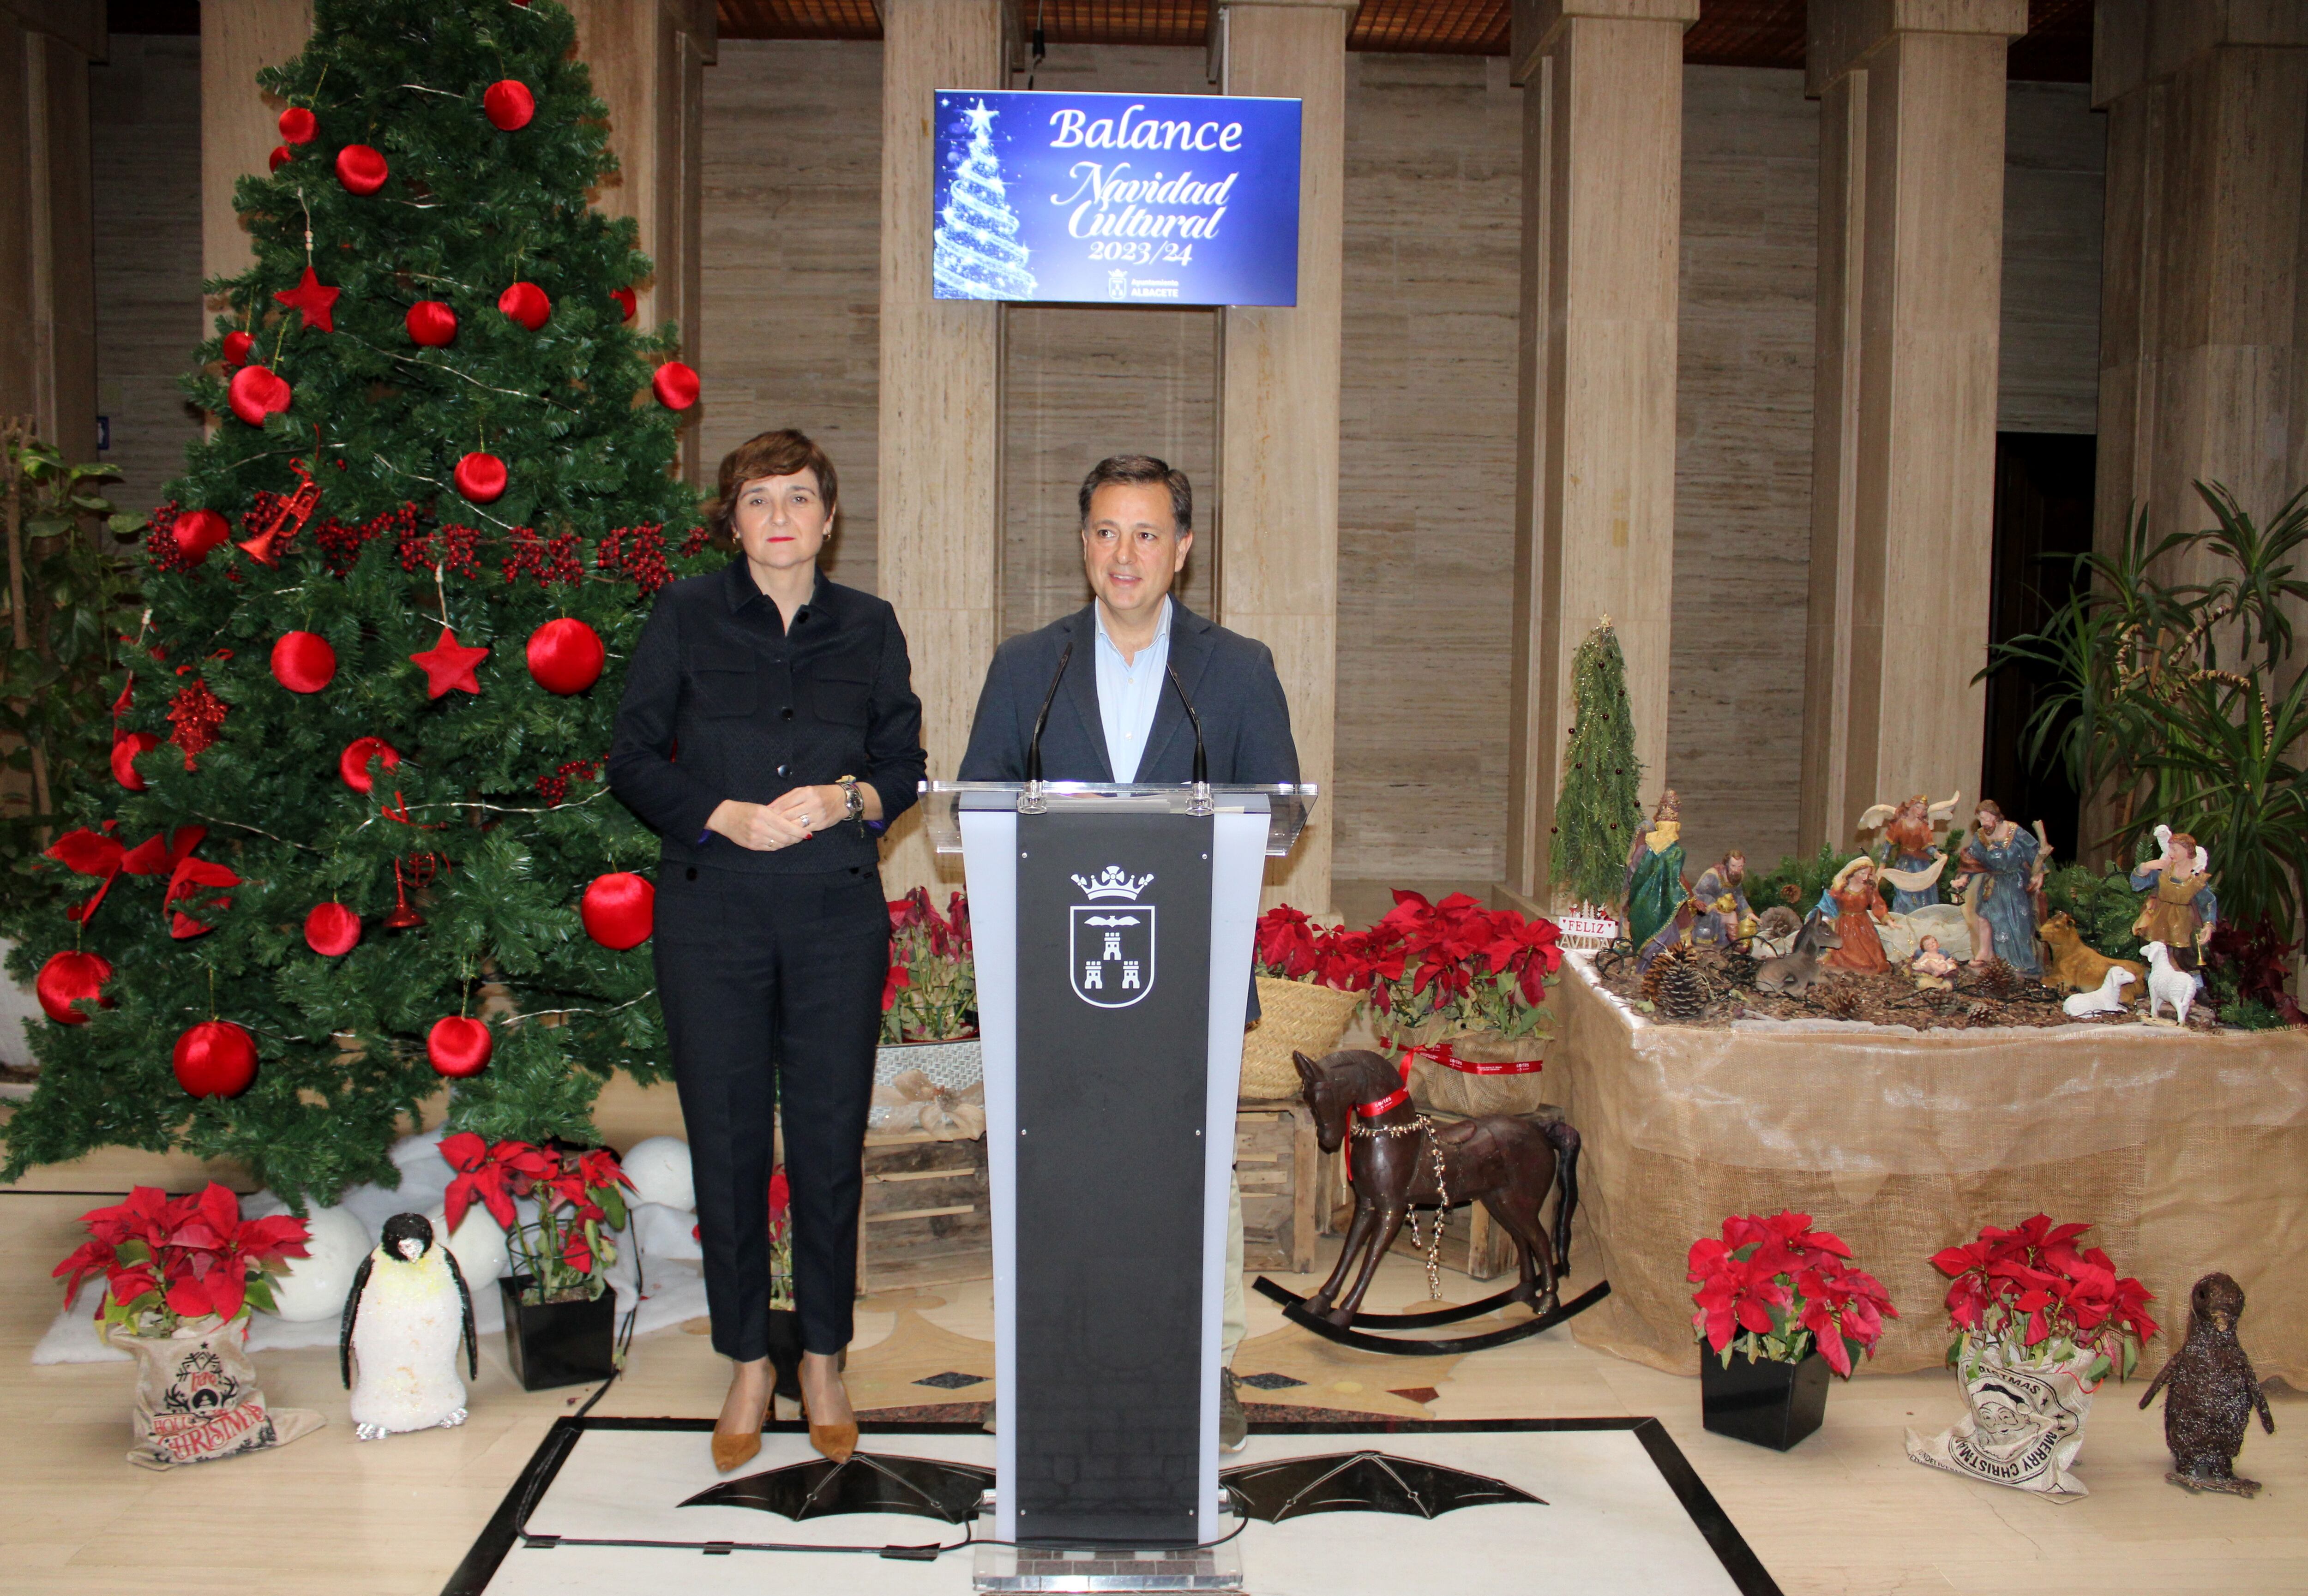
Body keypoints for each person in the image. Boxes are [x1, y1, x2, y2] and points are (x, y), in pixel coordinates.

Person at [958, 454, 1298, 1453]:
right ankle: (1038, 1362)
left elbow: (1279, 816)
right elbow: (980, 802)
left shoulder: (1237, 669)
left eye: (1147, 533)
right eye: (1106, 531)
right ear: (1082, 543)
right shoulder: (1030, 666)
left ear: (1183, 549)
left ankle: (1209, 1367)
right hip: (1052, 986)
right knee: (1052, 1171)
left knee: (1195, 1179)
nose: (1125, 554)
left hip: (1186, 979)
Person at [608, 429, 926, 1474]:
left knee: (831, 1146)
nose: (781, 516)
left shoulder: (870, 628)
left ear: (830, 521)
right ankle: (749, 1360)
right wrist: (718, 815)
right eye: (758, 499)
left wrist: (848, 798)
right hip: (714, 918)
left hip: (837, 916)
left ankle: (822, 1358)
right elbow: (631, 758)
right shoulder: (685, 616)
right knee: (730, 1146)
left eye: (799, 498)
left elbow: (902, 767)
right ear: (732, 520)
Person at [1955, 800, 2043, 973]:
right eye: (1981, 820)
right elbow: (1972, 859)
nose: (1984, 823)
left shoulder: (2015, 831)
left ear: (1996, 816)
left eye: (1987, 819)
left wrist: (2039, 873)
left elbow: (2034, 852)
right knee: (1985, 918)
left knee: (2017, 921)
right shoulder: (1980, 836)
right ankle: (1986, 954)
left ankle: (2019, 962)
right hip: (1992, 883)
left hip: (2014, 884)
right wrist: (1964, 877)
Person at [2130, 826, 2218, 972]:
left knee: (2184, 958)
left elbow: (2207, 902)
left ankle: (2193, 986)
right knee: (2155, 953)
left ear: (2188, 851)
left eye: (2175, 849)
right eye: (2170, 849)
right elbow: (2137, 885)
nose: (2170, 853)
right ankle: (2153, 983)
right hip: (2160, 919)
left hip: (2184, 922)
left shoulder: (2196, 878)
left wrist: (2208, 925)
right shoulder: (2164, 871)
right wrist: (2145, 867)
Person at [1622, 790, 1688, 954]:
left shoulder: (1654, 847)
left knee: (1662, 928)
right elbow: (1673, 879)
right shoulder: (1672, 851)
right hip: (1659, 898)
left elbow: (1641, 874)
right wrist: (1683, 896)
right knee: (1662, 927)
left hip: (1648, 895)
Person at [1824, 857, 1892, 973]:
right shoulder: (1841, 887)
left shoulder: (1869, 888)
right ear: (1854, 872)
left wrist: (1887, 919)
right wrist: (1826, 918)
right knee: (1844, 949)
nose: (1866, 877)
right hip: (1844, 924)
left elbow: (1878, 903)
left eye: (1868, 874)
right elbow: (1829, 903)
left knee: (1870, 953)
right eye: (1862, 873)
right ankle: (1846, 965)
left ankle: (1865, 967)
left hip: (1863, 924)